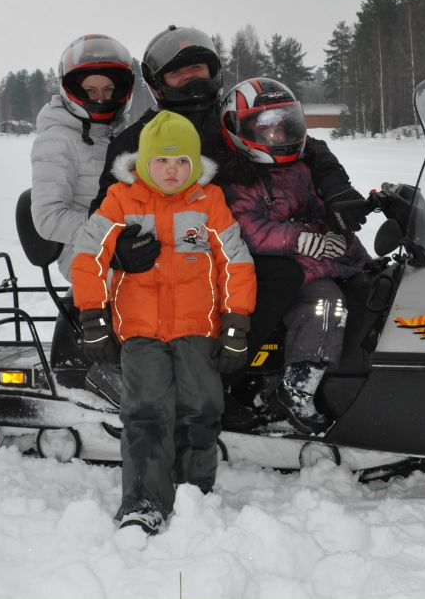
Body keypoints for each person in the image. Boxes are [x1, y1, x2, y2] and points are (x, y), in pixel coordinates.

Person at [91, 25, 369, 426]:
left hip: (230, 239)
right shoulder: (141, 140)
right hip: (173, 252)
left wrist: (336, 187)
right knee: (279, 273)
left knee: (332, 275)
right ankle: (215, 381)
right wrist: (119, 245)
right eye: (177, 73)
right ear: (157, 84)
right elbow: (104, 208)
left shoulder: (232, 118)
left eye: (199, 69)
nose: (192, 80)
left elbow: (307, 148)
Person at [70, 111, 256, 534]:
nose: (172, 172)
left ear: (193, 164)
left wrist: (236, 324)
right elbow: (88, 255)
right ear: (143, 163)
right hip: (140, 331)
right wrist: (93, 314)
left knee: (202, 409)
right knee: (147, 413)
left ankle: (194, 496)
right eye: (161, 162)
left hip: (197, 330)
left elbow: (236, 262)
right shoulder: (121, 199)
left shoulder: (208, 201)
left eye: (181, 163)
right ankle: (144, 502)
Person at [218, 78, 370, 433]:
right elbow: (247, 229)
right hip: (278, 268)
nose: (278, 135)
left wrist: (338, 232)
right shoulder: (236, 180)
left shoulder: (302, 168)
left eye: (285, 125)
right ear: (239, 130)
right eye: (266, 128)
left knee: (373, 289)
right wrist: (299, 240)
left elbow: (322, 211)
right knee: (325, 305)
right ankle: (298, 389)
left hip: (321, 260)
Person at [29, 33, 138, 399]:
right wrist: (111, 234)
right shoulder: (58, 138)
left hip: (120, 238)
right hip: (79, 249)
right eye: (91, 89)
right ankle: (109, 371)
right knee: (138, 282)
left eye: (108, 89)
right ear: (71, 88)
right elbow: (48, 216)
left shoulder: (115, 132)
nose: (101, 98)